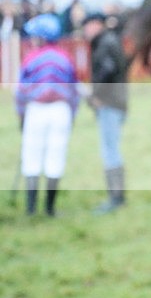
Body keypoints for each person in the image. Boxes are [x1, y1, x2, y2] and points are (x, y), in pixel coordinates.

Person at [15, 13, 79, 216]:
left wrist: (21, 116)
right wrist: (72, 115)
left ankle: (31, 209)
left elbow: (20, 92)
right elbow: (74, 92)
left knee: (31, 156)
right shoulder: (65, 58)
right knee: (55, 157)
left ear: (41, 37)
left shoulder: (31, 58)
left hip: (36, 110)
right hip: (60, 111)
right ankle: (50, 209)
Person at [82, 12, 128, 214]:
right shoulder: (108, 40)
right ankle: (116, 196)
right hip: (115, 102)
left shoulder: (105, 43)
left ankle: (115, 198)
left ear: (97, 24)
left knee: (110, 151)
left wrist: (95, 95)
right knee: (110, 150)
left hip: (110, 103)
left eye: (88, 25)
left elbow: (108, 71)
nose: (85, 30)